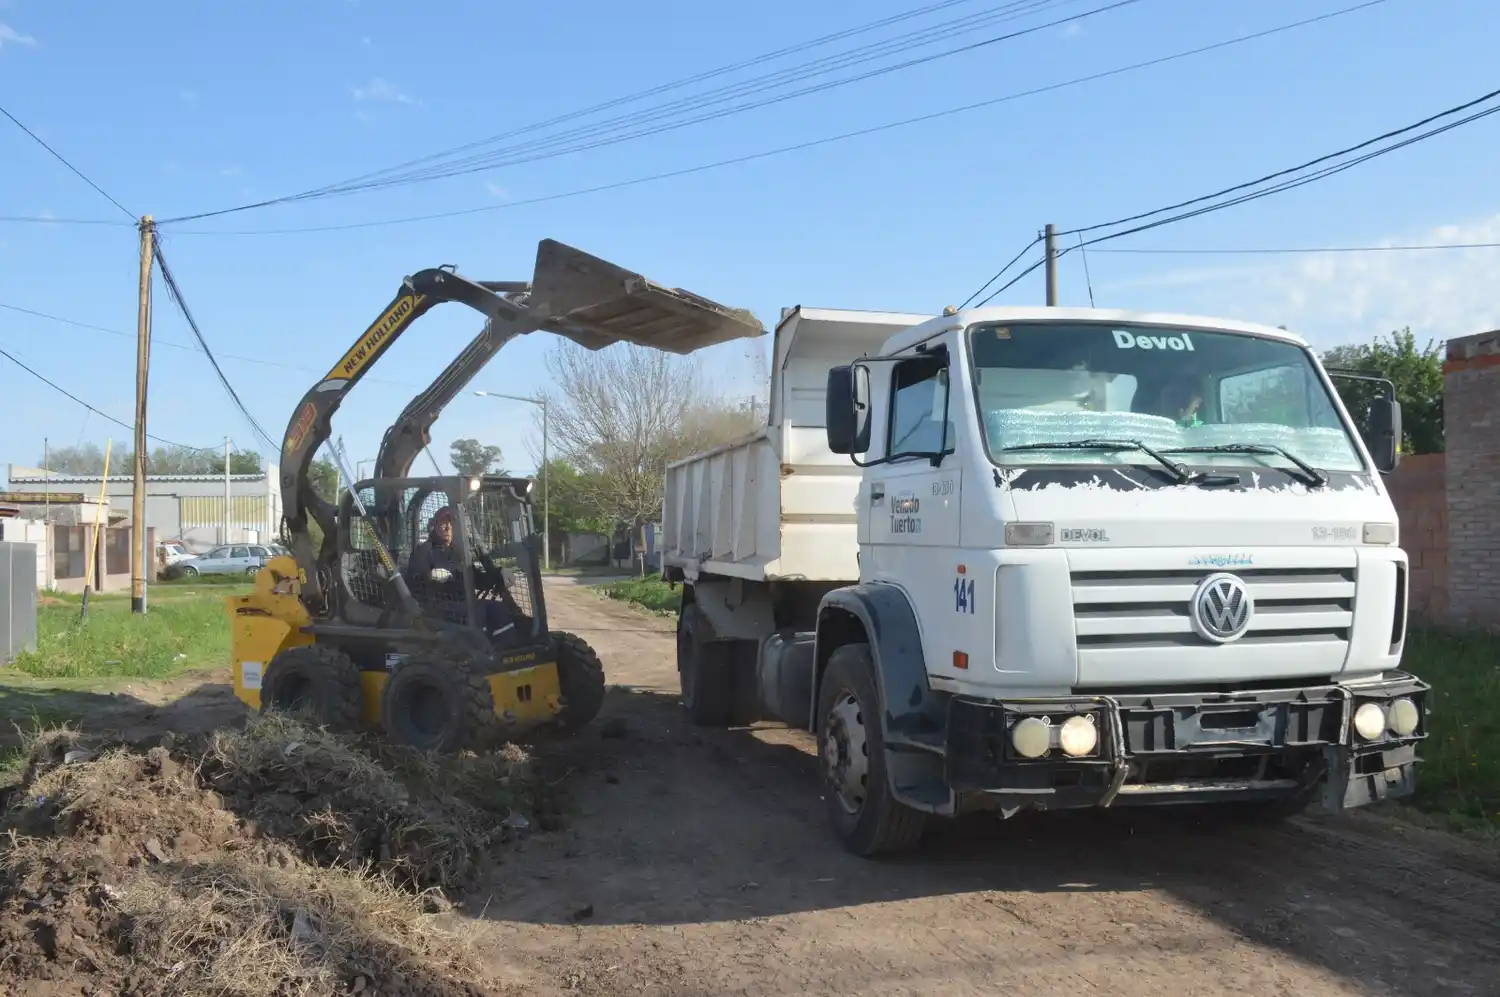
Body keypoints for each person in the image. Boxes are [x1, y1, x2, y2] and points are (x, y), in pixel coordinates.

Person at [404, 506, 517, 640]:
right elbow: (412, 582)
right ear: (435, 525)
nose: (448, 528)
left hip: (464, 603)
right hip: (437, 607)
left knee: (498, 609)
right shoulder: (424, 551)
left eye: (451, 523)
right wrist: (428, 576)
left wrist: (499, 573)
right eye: (444, 523)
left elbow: (477, 579)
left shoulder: (457, 553)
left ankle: (506, 646)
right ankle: (481, 647)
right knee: (477, 613)